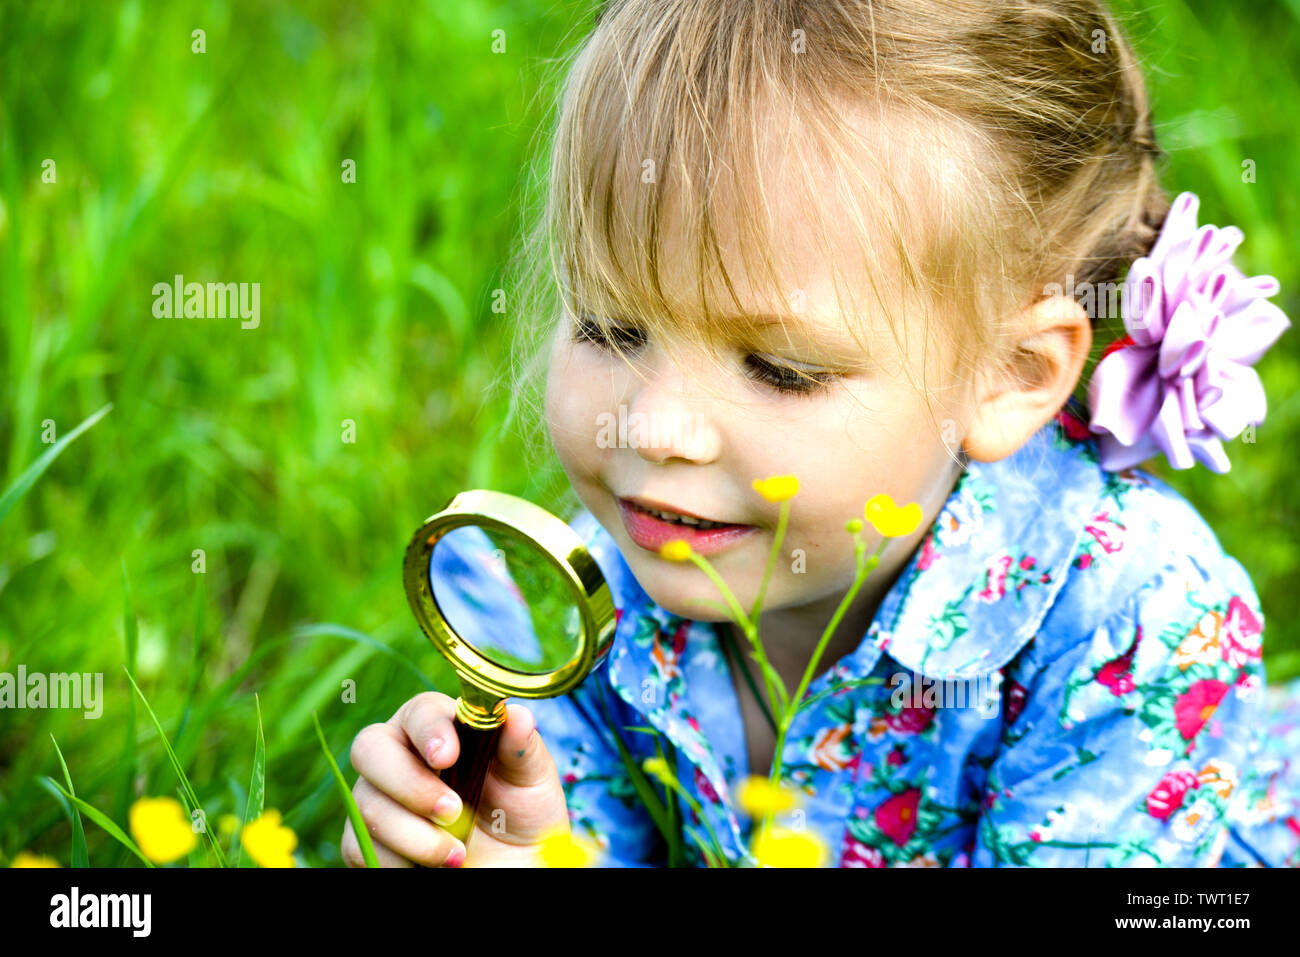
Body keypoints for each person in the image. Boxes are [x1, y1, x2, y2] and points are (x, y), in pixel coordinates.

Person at [342, 0, 1298, 867]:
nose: (653, 425)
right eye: (610, 327)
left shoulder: (1134, 621)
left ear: (1013, 375)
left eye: (782, 369)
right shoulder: (610, 587)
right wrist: (512, 846)